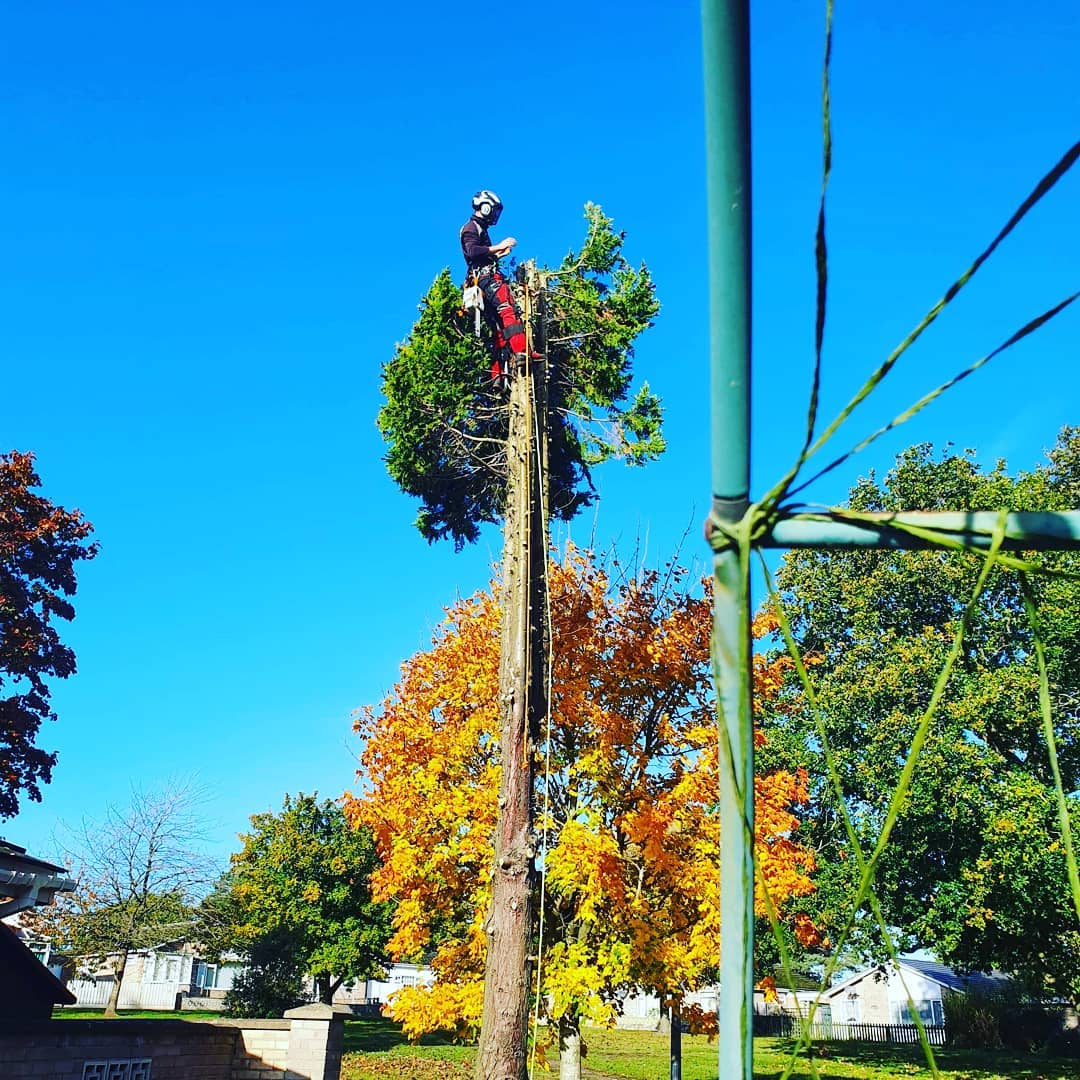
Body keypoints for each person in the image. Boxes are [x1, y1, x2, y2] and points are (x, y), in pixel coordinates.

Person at [460, 189, 531, 387]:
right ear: (485, 206)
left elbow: (480, 256)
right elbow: (473, 252)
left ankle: (498, 375)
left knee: (498, 328)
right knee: (507, 310)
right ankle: (521, 351)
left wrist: (498, 254)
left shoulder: (480, 228)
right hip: (485, 279)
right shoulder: (470, 227)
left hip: (481, 278)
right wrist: (499, 246)